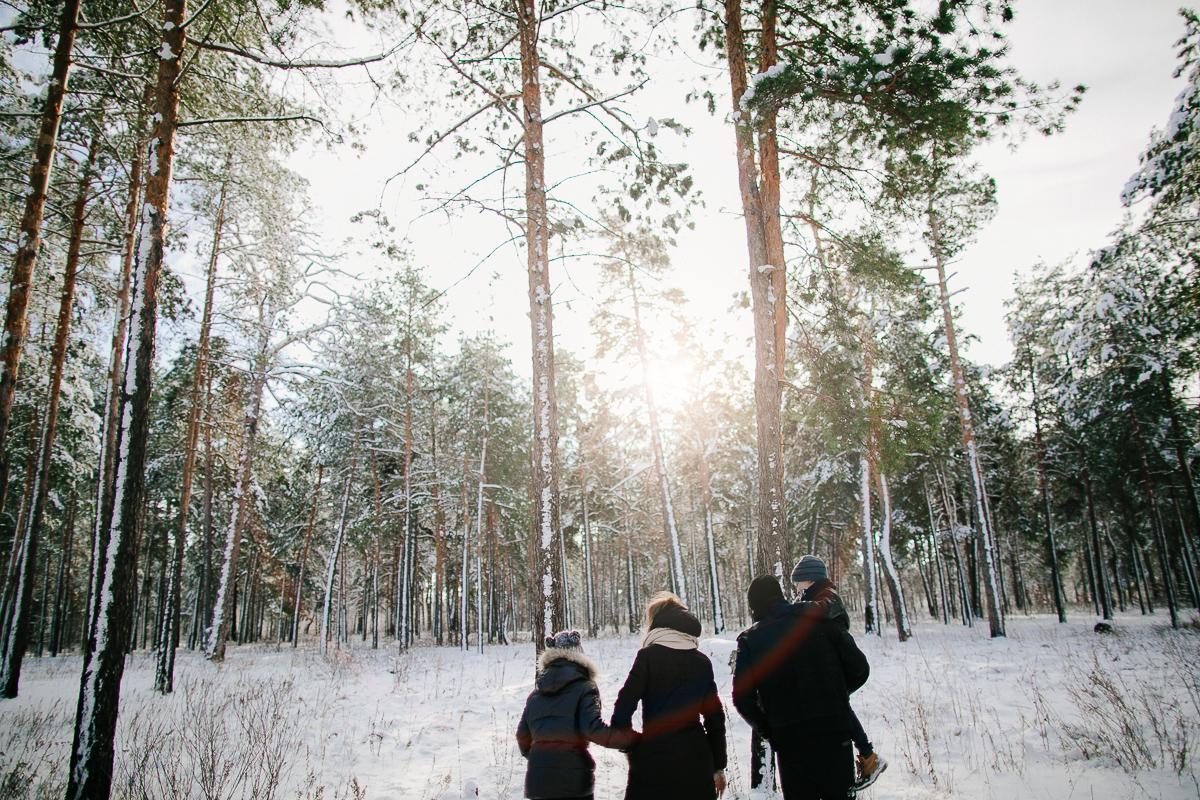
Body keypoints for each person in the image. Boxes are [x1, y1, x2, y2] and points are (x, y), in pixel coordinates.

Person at [733, 575, 870, 800]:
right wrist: (836, 699)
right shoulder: (820, 620)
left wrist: (769, 730)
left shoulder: (750, 640)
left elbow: (742, 698)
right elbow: (859, 668)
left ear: (755, 605)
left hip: (789, 742)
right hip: (834, 733)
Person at [611, 592, 727, 799]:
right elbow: (715, 718)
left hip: (654, 757)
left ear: (656, 624)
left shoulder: (647, 657)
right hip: (696, 758)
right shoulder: (701, 662)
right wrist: (718, 765)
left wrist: (631, 746)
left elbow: (623, 706)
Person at [791, 555, 887, 792]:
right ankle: (867, 754)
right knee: (839, 708)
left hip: (838, 665)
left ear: (810, 580)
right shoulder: (819, 596)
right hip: (832, 666)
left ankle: (869, 756)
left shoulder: (827, 597)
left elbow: (820, 613)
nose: (796, 587)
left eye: (798, 582)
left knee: (840, 708)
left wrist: (791, 609)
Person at [516, 630, 630, 800]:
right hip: (573, 782)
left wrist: (541, 760)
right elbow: (592, 729)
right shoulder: (585, 687)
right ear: (579, 654)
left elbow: (522, 736)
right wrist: (630, 741)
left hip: (538, 784)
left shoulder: (535, 694)